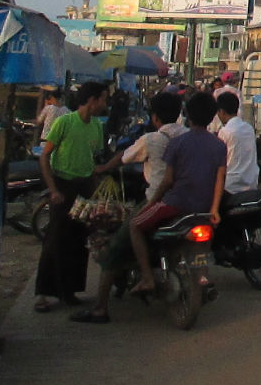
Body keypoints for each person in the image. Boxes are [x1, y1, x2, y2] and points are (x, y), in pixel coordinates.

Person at [70, 91, 185, 324]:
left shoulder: (152, 139)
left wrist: (102, 169)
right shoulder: (187, 136)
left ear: (155, 117)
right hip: (185, 201)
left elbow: (124, 156)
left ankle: (102, 308)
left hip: (158, 200)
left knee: (115, 248)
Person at [128, 92, 227, 297]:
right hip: (203, 207)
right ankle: (202, 277)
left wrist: (151, 203)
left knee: (134, 225)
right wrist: (214, 208)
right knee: (204, 243)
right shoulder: (219, 145)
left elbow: (167, 181)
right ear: (212, 116)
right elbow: (220, 179)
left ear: (188, 115)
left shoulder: (178, 143)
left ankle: (147, 278)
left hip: (175, 203)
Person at [33, 81, 107, 312]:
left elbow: (95, 159)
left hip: (84, 188)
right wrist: (53, 189)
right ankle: (44, 294)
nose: (105, 104)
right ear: (92, 100)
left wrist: (95, 191)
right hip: (62, 186)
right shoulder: (64, 122)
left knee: (79, 241)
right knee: (55, 240)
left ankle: (70, 291)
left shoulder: (96, 126)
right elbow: (45, 157)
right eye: (103, 99)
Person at [215, 91, 259, 194]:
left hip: (230, 186)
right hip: (251, 183)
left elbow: (220, 161)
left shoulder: (225, 132)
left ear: (222, 111)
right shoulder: (249, 129)